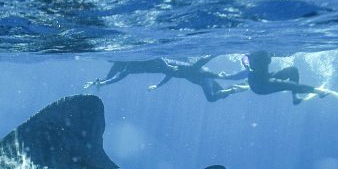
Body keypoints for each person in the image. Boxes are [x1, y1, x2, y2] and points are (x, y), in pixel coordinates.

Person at [221, 51, 338, 110]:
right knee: (289, 85)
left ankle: (295, 98)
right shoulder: (252, 62)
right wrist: (225, 76)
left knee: (292, 70)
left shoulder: (263, 54)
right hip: (261, 86)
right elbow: (242, 67)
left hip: (266, 78)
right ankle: (319, 92)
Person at [84, 56, 249, 102]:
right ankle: (236, 87)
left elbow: (156, 56)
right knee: (212, 95)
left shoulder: (130, 62)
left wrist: (214, 54)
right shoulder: (126, 67)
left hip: (190, 71)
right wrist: (102, 83)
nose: (112, 63)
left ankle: (239, 81)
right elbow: (114, 77)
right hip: (185, 72)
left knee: (216, 83)